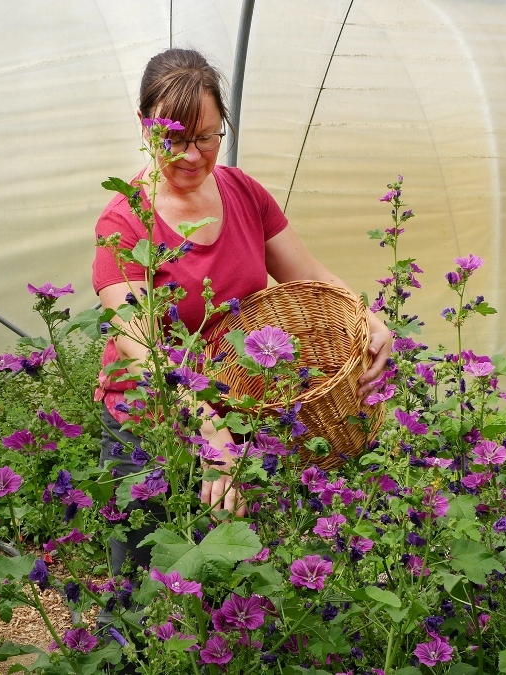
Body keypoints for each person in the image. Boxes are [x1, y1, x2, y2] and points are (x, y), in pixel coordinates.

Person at [91, 47, 391, 581]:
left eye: (206, 137)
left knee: (238, 589)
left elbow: (309, 275)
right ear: (144, 125)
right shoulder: (125, 223)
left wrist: (366, 317)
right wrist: (208, 434)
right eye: (175, 138)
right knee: (146, 589)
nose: (191, 154)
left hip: (238, 414)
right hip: (152, 426)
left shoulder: (243, 192)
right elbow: (145, 355)